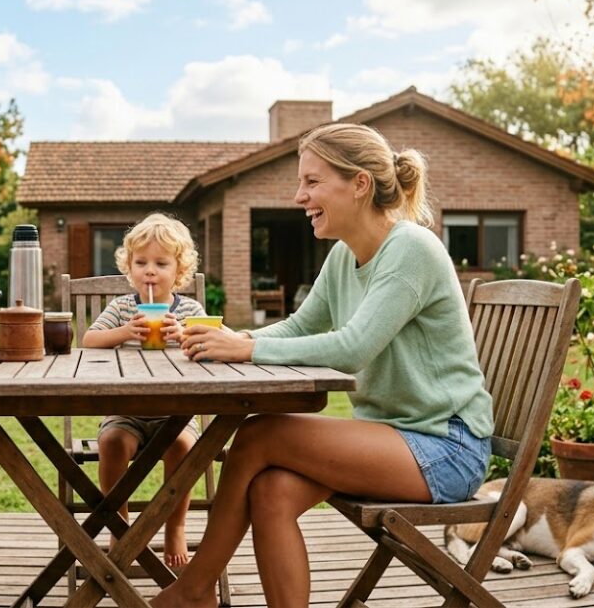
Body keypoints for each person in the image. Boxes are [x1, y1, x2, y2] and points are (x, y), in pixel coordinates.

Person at [155, 123, 495, 608]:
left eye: (312, 182)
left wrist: (246, 351)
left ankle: (193, 590)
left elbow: (353, 347)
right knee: (271, 492)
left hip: (446, 447)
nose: (299, 196)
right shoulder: (343, 257)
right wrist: (236, 338)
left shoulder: (411, 250)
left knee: (258, 435)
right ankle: (197, 591)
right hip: (393, 435)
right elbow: (298, 328)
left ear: (359, 184)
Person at [80, 212, 206, 570]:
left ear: (178, 271)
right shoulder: (122, 309)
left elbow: (208, 347)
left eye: (161, 263)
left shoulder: (189, 310)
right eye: (141, 262)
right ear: (129, 267)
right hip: (127, 410)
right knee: (112, 443)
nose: (150, 271)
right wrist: (123, 333)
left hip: (176, 412)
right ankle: (118, 524)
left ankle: (175, 525)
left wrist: (182, 336)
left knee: (184, 446)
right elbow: (89, 339)